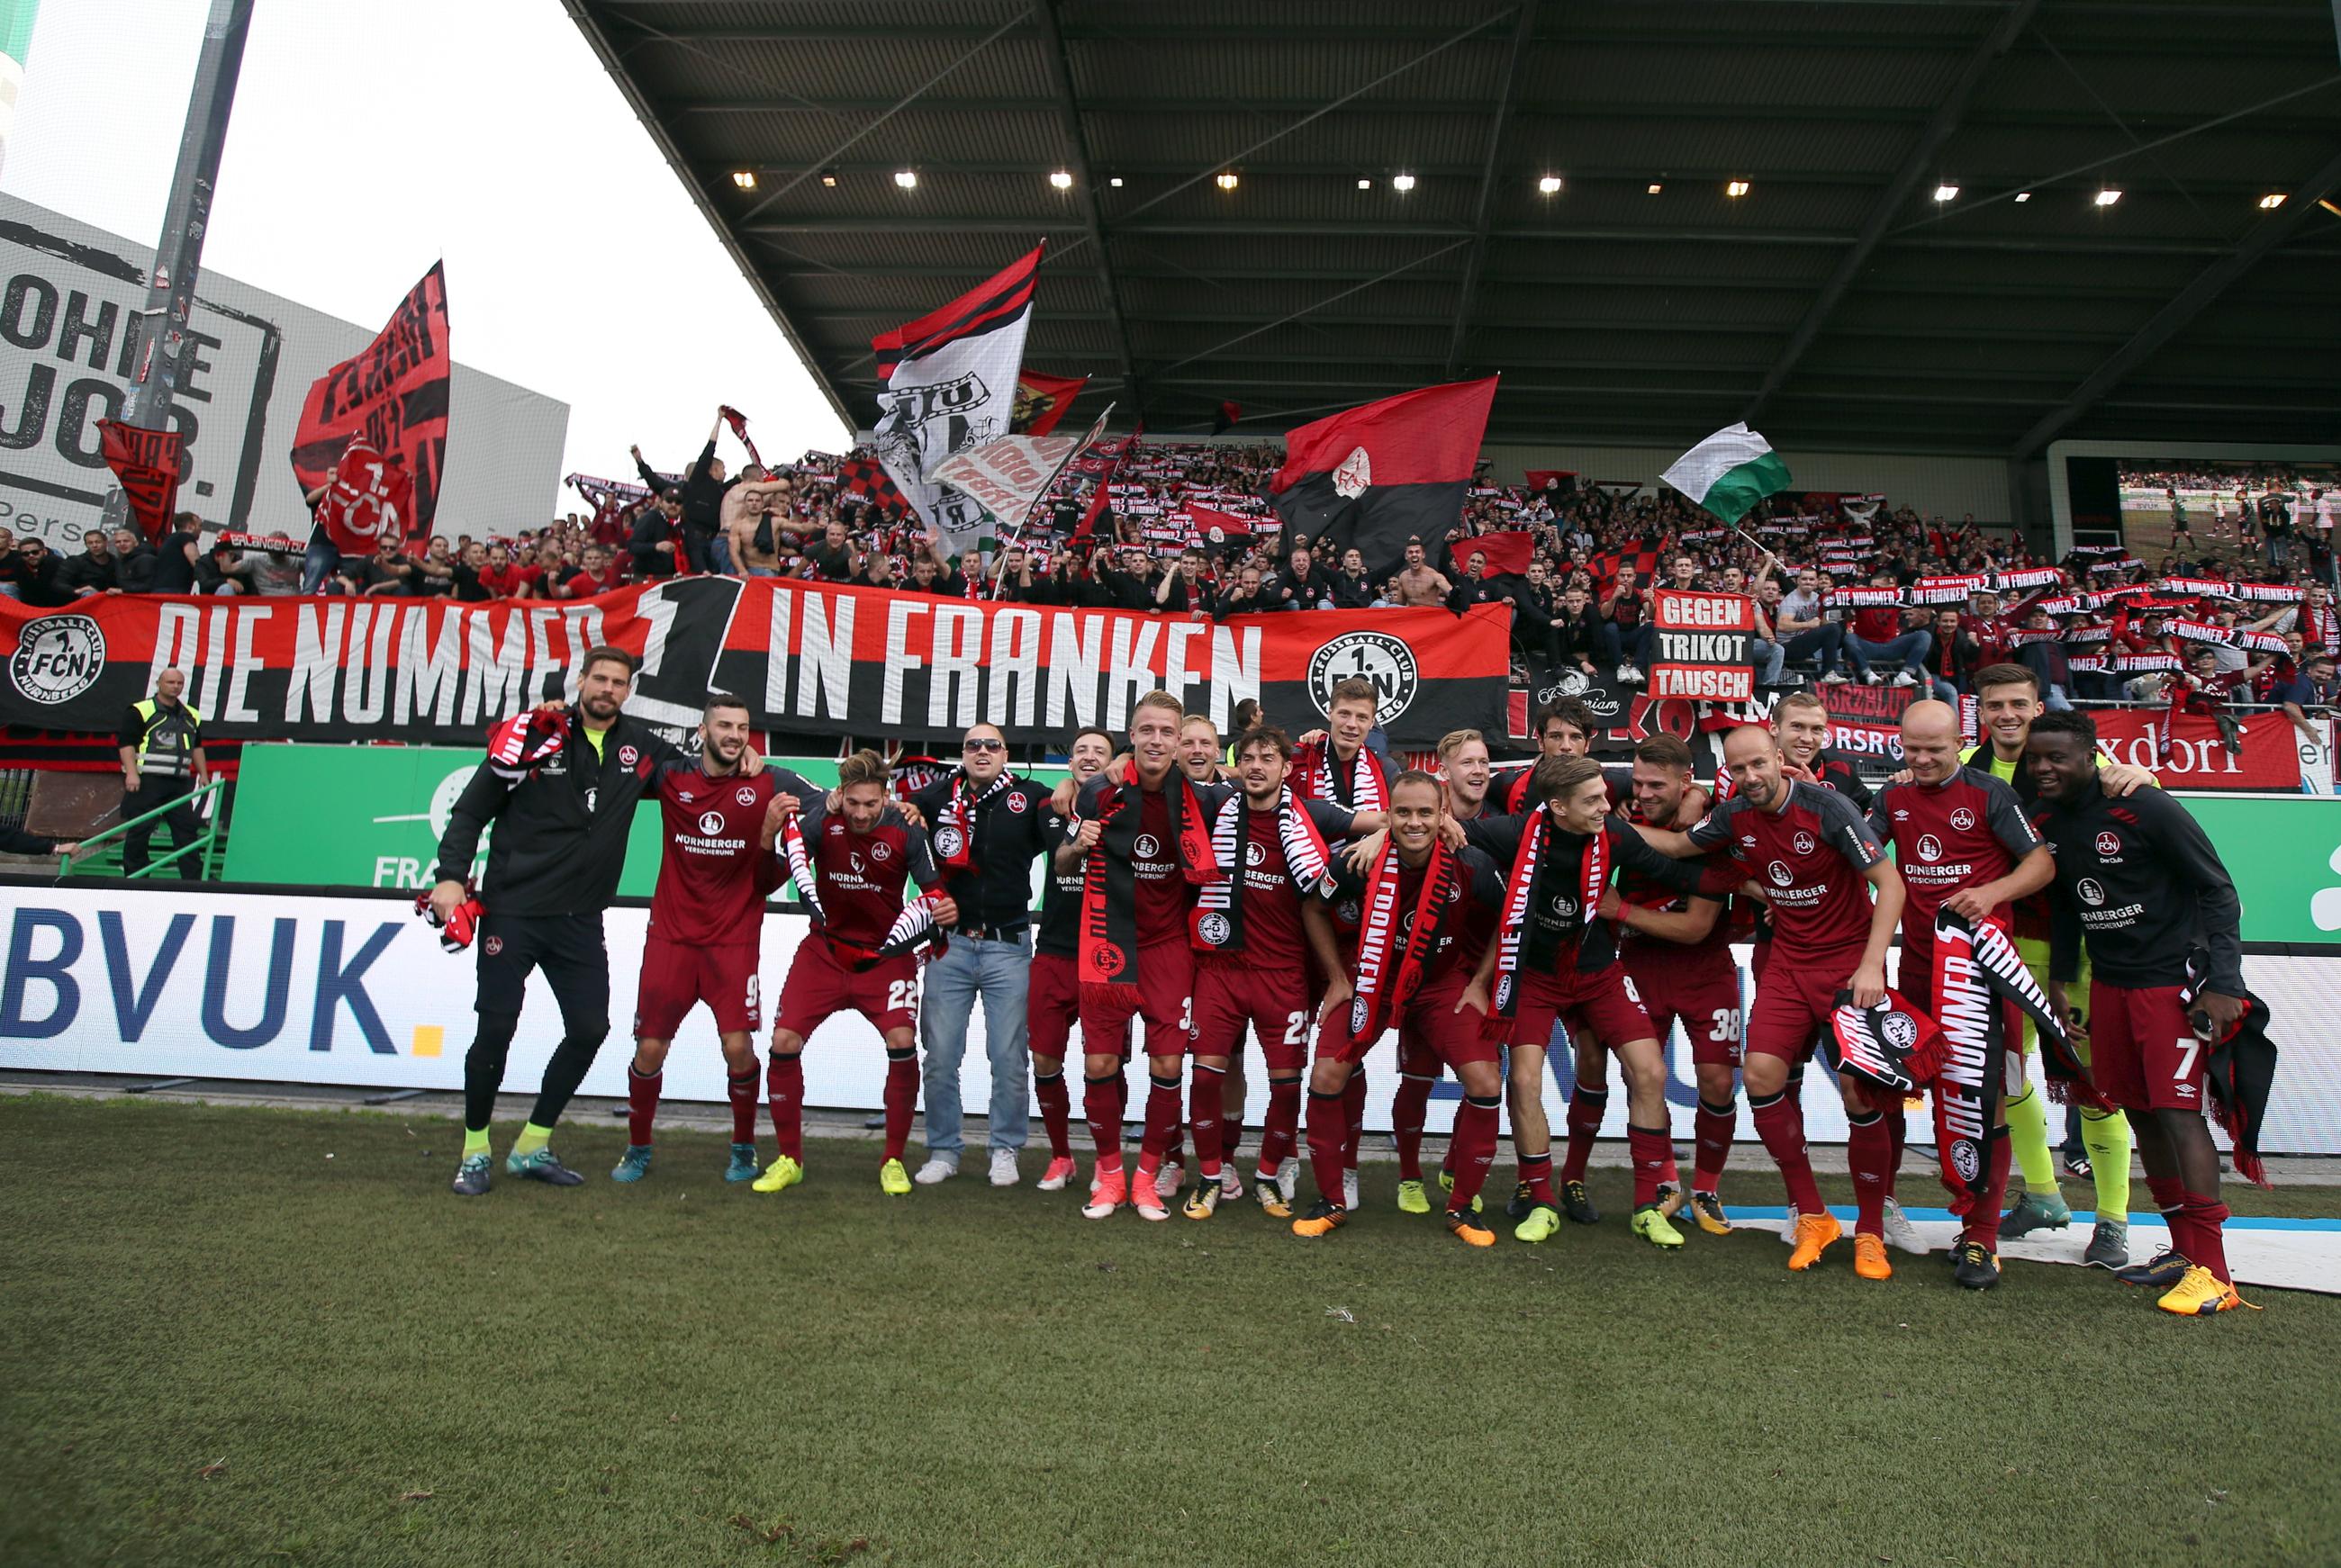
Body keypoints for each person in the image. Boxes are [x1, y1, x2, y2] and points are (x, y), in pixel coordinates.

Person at [1642, 725, 1907, 1273]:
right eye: (1739, 770)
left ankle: (1872, 1231)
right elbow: (1678, 844)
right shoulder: (1734, 814)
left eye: (1759, 764)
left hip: (1845, 963)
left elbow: (1891, 883)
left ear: (1780, 759)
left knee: (1860, 1093)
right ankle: (1812, 1215)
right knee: (1762, 1078)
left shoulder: (1828, 808)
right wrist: (1607, 829)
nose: (1751, 777)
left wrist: (1871, 963)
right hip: (1787, 963)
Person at [430, 648, 692, 1195]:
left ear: (628, 691)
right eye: (600, 678)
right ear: (581, 680)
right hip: (514, 910)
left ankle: (531, 1145)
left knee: (590, 1029)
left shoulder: (642, 748)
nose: (608, 689)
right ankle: (474, 1151)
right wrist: (451, 875)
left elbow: (699, 776)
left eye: (619, 683)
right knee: (496, 1030)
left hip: (580, 918)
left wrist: (751, 765)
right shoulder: (535, 732)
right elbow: (472, 809)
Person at [2025, 712, 2256, 1315]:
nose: (2044, 768)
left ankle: (2217, 1274)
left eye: (2057, 758)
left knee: (2181, 1117)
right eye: (2035, 759)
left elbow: (2218, 888)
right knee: (2142, 1115)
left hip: (2170, 983)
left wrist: (2224, 980)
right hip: (2111, 985)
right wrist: (2062, 981)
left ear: (2091, 757)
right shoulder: (2047, 818)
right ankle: (2184, 1253)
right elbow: (2070, 905)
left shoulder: (2144, 805)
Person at [1456, 755, 1709, 1248]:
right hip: (1534, 975)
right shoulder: (1514, 832)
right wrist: (1380, 834)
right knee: (1525, 1079)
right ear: (1557, 807)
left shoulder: (1613, 834)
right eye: (1591, 800)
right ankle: (1541, 1200)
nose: (1604, 806)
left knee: (1650, 1070)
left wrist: (1742, 883)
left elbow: (1673, 871)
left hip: (1597, 972)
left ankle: (1646, 1205)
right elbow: (1450, 828)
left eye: (1603, 795)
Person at [1862, 700, 2056, 1288]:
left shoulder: (1991, 796)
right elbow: (1854, 853)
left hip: (1979, 977)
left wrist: (1993, 891)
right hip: (1917, 974)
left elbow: (2041, 862)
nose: (1921, 760)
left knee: (1987, 1095)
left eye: (1934, 750)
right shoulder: (1891, 798)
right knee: (1891, 1086)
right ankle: (1882, 1213)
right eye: (1911, 750)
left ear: (1959, 742)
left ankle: (1982, 1238)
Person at [1960, 662, 2149, 1261]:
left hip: (2084, 951)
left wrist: (2141, 775)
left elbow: (2146, 804)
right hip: (2004, 945)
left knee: (2096, 1084)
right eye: (1996, 706)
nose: (2008, 715)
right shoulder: (1967, 765)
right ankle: (2042, 1195)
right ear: (1981, 711)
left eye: (2019, 703)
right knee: (2009, 1078)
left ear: (2038, 707)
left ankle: (2113, 1218)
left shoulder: (2093, 764)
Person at [1294, 770, 1507, 1246]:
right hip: (1371, 982)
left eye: (1425, 813)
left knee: (1486, 1082)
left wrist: (1478, 982)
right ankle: (1330, 1201)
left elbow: (1508, 914)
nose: (1415, 822)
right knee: (1326, 1076)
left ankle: (1462, 1209)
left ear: (1443, 815)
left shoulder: (1469, 861)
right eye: (1404, 812)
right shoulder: (1357, 860)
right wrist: (1337, 978)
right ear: (1387, 816)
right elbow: (1313, 909)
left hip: (1440, 988)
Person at [612, 695, 816, 1186]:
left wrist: (899, 809)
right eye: (723, 725)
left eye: (742, 727)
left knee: (739, 1048)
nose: (734, 734)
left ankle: (743, 1147)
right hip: (671, 940)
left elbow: (833, 801)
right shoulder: (671, 776)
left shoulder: (772, 781)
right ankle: (638, 1147)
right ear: (702, 732)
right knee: (650, 1051)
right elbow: (615, 743)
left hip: (733, 941)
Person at [1189, 725, 1373, 1219]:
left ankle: (1268, 1174)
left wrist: (1380, 837)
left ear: (1285, 768)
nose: (1256, 766)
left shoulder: (1308, 814)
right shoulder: (1216, 808)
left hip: (1282, 972)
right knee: (1207, 1076)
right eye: (1247, 757)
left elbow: (1386, 820)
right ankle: (1209, 1174)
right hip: (1221, 968)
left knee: (1287, 1086)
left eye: (1267, 758)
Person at [755, 750, 953, 1198]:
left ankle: (893, 1160)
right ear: (840, 795)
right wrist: (816, 813)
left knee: (902, 1043)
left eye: (871, 804)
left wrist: (942, 911)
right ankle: (789, 1158)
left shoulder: (906, 828)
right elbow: (783, 863)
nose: (861, 813)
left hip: (884, 958)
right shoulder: (820, 821)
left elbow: (932, 890)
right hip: (824, 953)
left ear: (885, 797)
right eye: (853, 803)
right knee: (784, 1041)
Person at [1059, 690, 1221, 1220]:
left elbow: (1261, 791)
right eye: (1146, 730)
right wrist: (1076, 846)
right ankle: (1109, 1177)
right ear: (1132, 736)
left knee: (1168, 1065)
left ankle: (1147, 1178)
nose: (1156, 740)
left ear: (1179, 742)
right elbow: (1061, 867)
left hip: (1168, 949)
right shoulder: (1096, 794)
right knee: (1100, 1061)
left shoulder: (1203, 799)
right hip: (1107, 938)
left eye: (1166, 732)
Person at [907, 722, 1056, 1187]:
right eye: (974, 745)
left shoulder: (1030, 797)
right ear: (963, 753)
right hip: (948, 945)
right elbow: (903, 833)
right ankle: (943, 1149)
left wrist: (1070, 784)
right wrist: (904, 811)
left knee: (1008, 1056)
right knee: (940, 1055)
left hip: (1007, 944)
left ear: (1005, 753)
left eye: (992, 745)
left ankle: (1005, 1148)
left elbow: (1064, 823)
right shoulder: (934, 798)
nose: (983, 751)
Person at [1614, 734, 1741, 1236]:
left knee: (1717, 1082)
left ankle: (1707, 1188)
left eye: (1656, 785)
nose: (1643, 793)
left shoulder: (1711, 828)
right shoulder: (1621, 813)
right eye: (1638, 782)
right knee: (1642, 1078)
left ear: (1687, 782)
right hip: (1640, 968)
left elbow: (1695, 927)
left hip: (1705, 971)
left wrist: (1621, 911)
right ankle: (1664, 1180)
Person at [1028, 727, 1116, 1193]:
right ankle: (1062, 1156)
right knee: (1044, 1058)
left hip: (1105, 954)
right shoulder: (1048, 807)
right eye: (1081, 750)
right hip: (1054, 952)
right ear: (1069, 763)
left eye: (1098, 751)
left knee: (1104, 1064)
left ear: (1113, 762)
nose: (1088, 756)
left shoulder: (1126, 807)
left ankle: (1107, 1161)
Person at [116, 668, 209, 879]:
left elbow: (197, 746)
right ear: (159, 683)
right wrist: (131, 773)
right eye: (170, 682)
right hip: (148, 780)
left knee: (187, 830)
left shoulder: (191, 714)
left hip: (178, 783)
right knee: (140, 829)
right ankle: (135, 878)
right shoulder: (141, 710)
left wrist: (203, 773)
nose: (175, 687)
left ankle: (194, 880)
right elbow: (126, 744)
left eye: (179, 683)